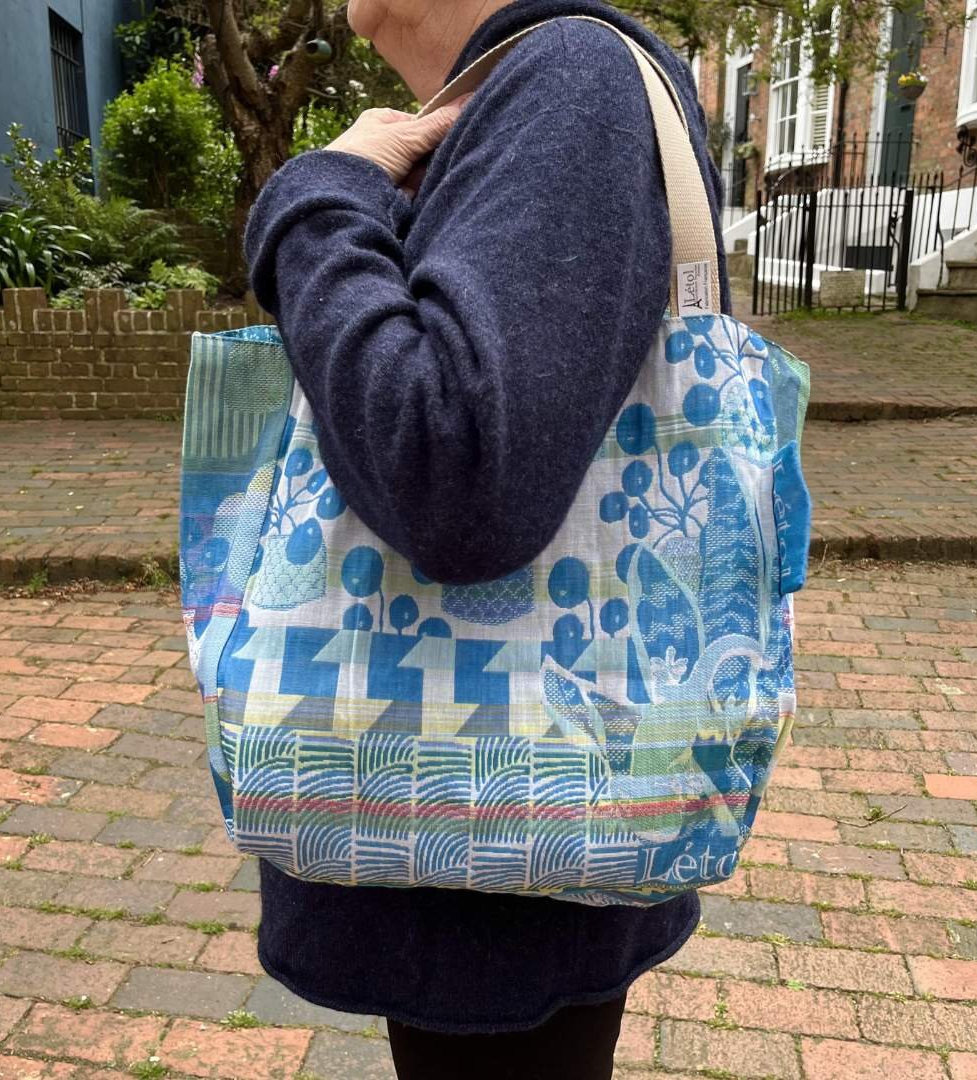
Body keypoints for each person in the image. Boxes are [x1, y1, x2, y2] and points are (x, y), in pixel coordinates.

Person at [243, 0, 731, 1076]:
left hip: (503, 872)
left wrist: (320, 196)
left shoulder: (573, 80)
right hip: (495, 855)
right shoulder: (544, 91)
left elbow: (450, 469)